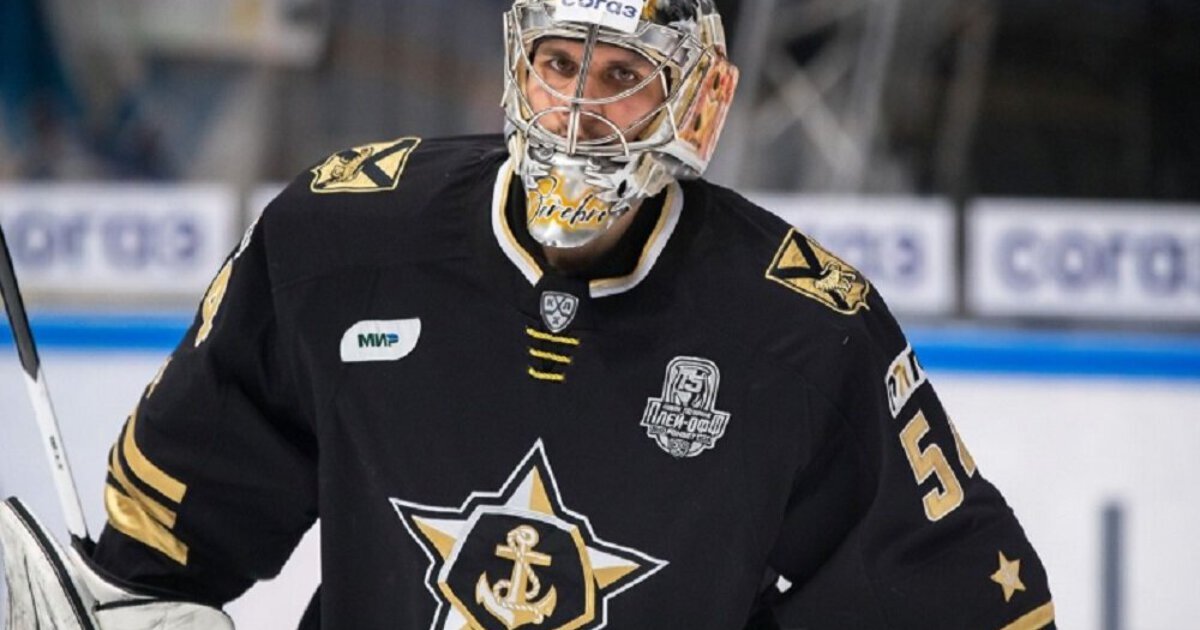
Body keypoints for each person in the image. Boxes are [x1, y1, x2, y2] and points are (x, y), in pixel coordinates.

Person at [0, 0, 1055, 628]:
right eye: (558, 63)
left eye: (623, 74)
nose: (579, 110)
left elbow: (965, 606)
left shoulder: (804, 328)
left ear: (696, 102)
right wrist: (112, 600)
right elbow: (165, 542)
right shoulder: (342, 238)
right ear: (518, 64)